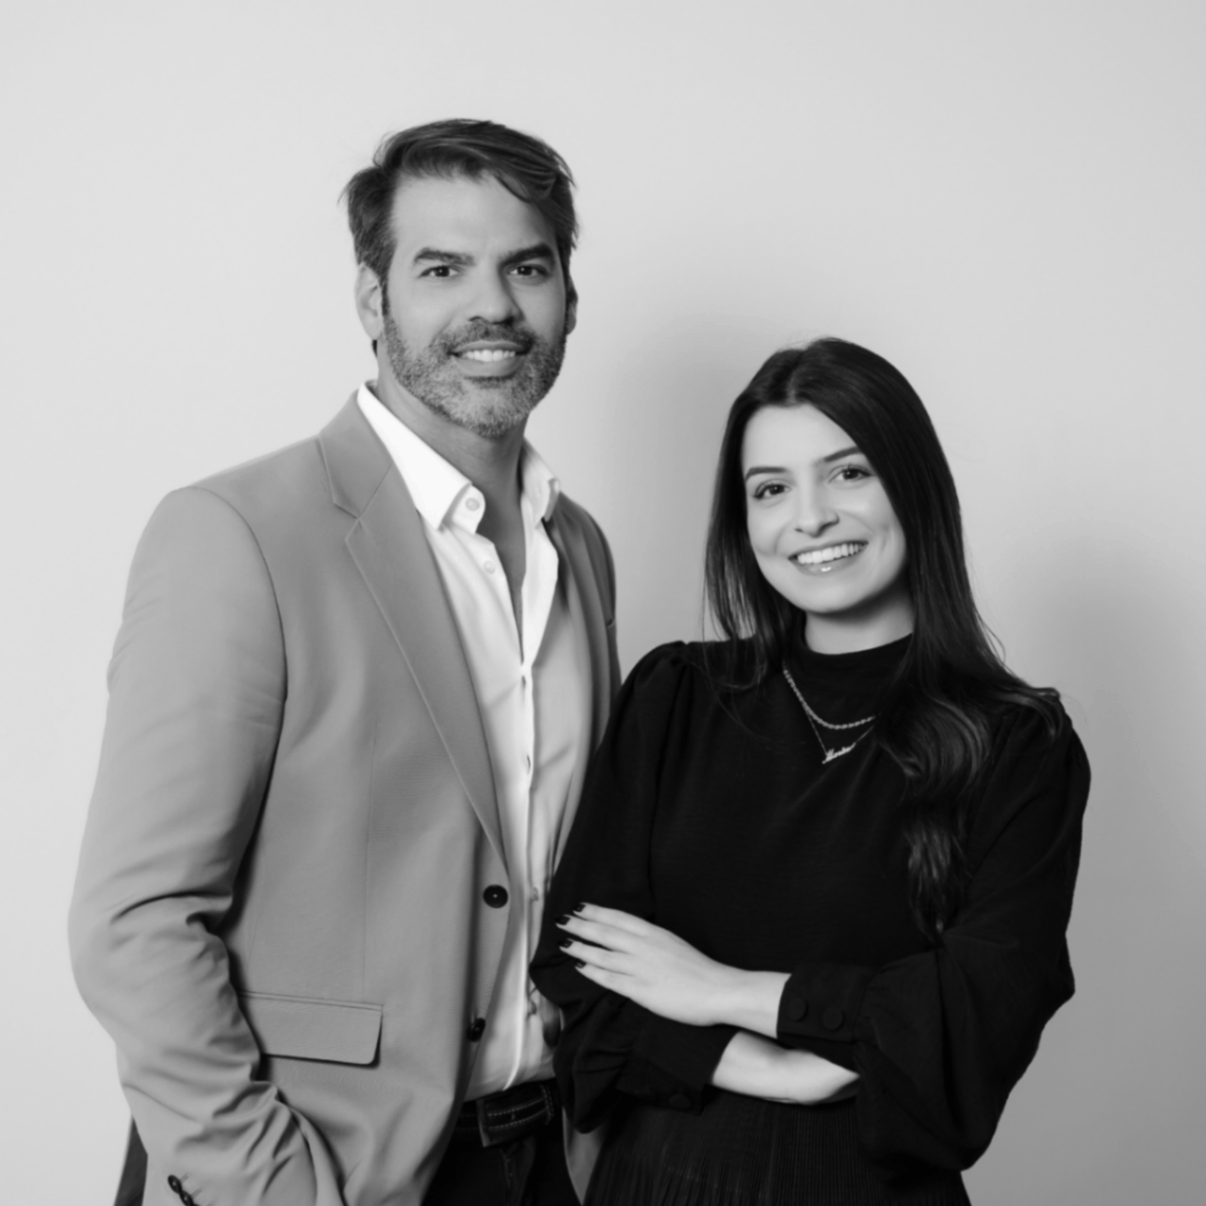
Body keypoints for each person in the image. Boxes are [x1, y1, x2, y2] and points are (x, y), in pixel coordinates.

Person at [69, 119, 620, 1206]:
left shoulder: (582, 549)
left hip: (544, 1161)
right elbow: (135, 924)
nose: (494, 307)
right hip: (319, 1171)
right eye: (442, 269)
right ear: (373, 299)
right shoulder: (237, 534)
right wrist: (278, 1189)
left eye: (527, 268)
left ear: (568, 296)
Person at [531, 338, 1090, 1204]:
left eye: (849, 474)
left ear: (914, 485)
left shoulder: (1016, 745)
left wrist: (721, 991)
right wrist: (779, 1070)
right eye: (771, 489)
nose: (811, 518)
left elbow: (978, 1013)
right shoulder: (676, 696)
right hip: (654, 1182)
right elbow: (581, 973)